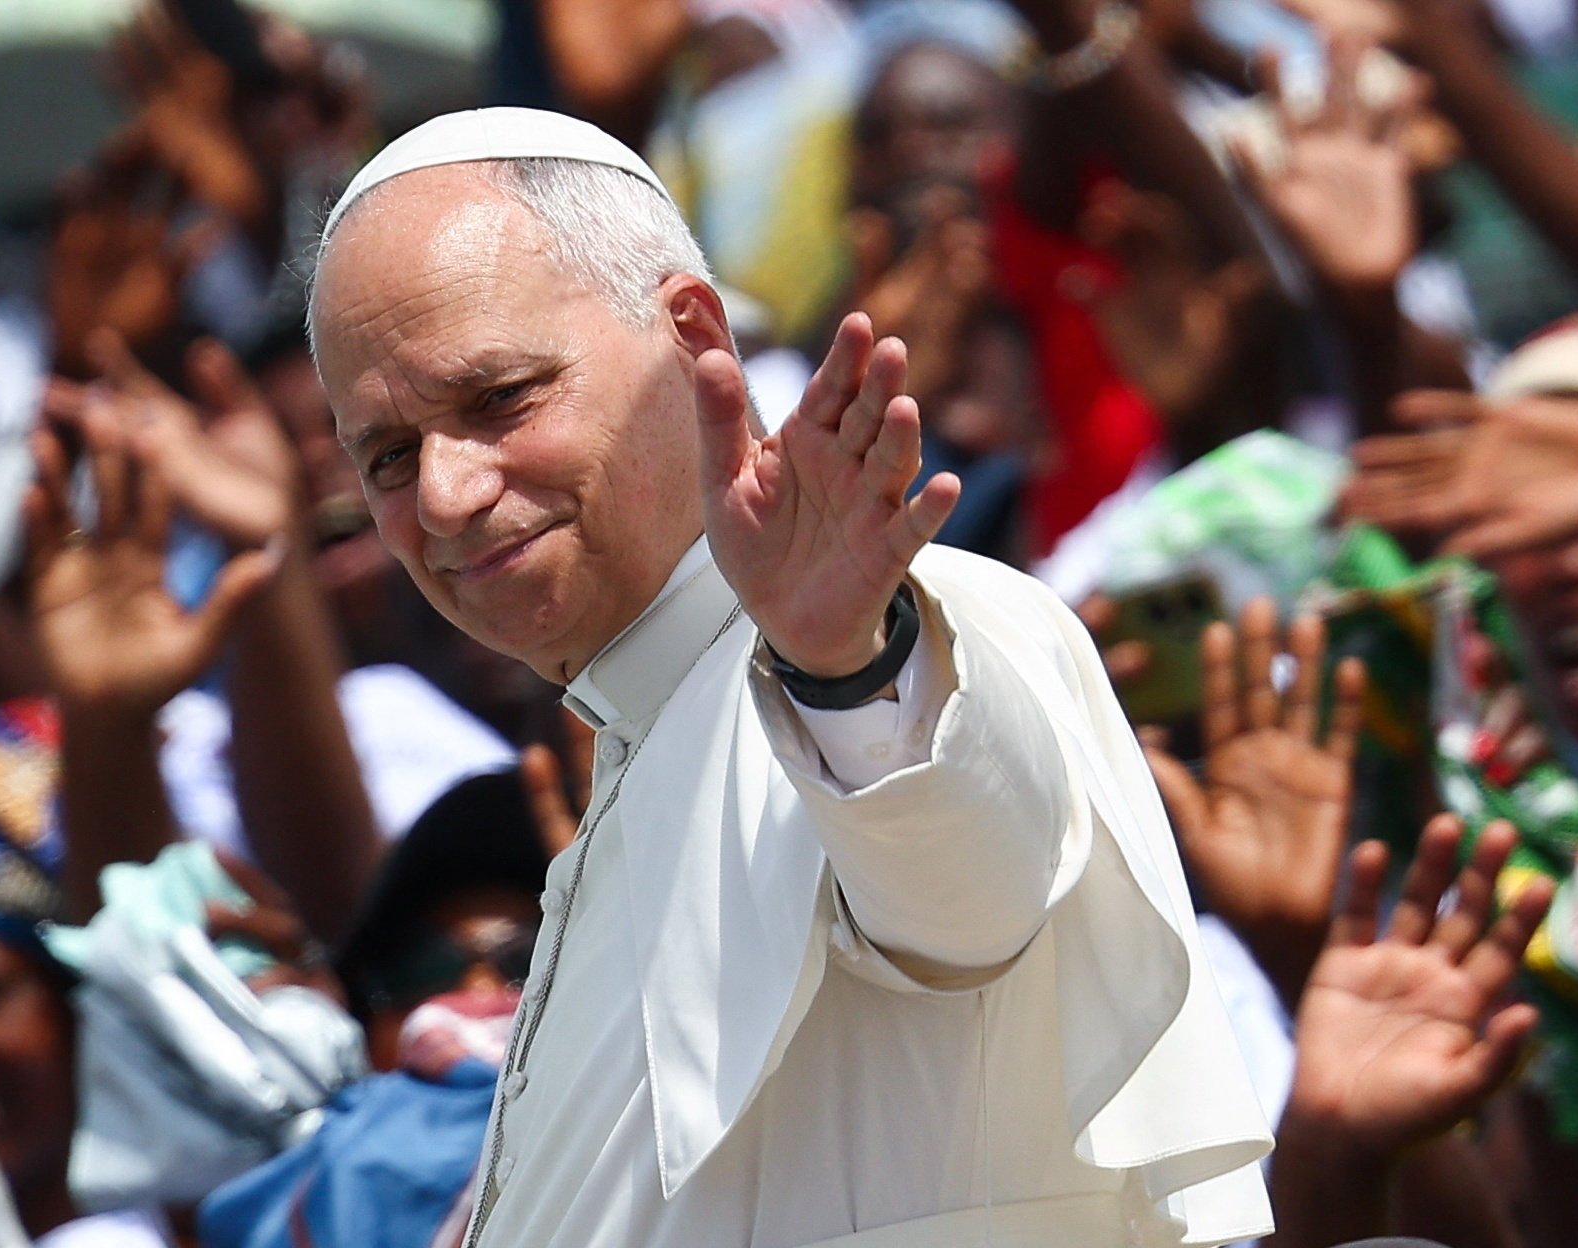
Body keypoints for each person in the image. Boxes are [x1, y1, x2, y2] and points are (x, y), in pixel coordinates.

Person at [303, 105, 1311, 1247]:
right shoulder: (628, 743)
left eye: (499, 399)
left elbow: (973, 887)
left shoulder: (930, 631)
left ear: (688, 335)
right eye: (390, 456)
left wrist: (844, 664)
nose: (445, 497)